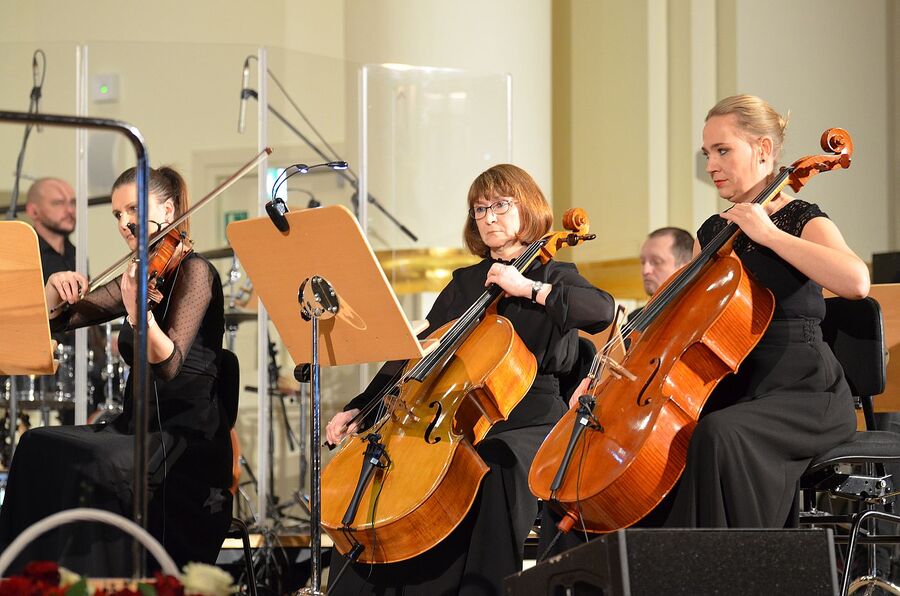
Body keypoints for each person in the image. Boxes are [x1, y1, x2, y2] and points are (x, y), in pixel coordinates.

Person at [324, 163, 616, 595]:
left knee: (494, 464)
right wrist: (360, 408)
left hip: (530, 419)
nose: (489, 217)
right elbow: (413, 356)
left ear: (528, 208)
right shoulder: (465, 284)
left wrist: (527, 289)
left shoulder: (555, 274)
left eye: (501, 205)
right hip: (457, 416)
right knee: (382, 466)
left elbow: (602, 311)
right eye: (480, 209)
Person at [0, 166, 233, 574]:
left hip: (184, 441)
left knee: (94, 463)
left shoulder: (197, 272)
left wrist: (137, 314)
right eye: (117, 215)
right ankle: (26, 580)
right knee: (36, 445)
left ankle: (94, 577)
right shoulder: (140, 273)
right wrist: (55, 288)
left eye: (134, 211)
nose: (125, 223)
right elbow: (60, 320)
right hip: (133, 428)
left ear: (169, 208)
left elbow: (170, 365)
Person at [661, 94, 869, 527]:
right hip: (736, 382)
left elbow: (855, 281)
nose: (711, 165)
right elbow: (678, 320)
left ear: (763, 151)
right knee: (670, 440)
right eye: (707, 154)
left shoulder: (799, 217)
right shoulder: (714, 233)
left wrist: (770, 235)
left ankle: (745, 572)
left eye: (723, 151)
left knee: (721, 435)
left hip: (805, 391)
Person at [628, 226, 694, 325]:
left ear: (685, 266)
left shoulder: (699, 317)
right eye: (642, 262)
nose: (645, 271)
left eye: (656, 261)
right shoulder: (635, 319)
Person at [25, 177, 77, 284]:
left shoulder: (75, 253)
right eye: (58, 203)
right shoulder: (24, 256)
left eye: (72, 202)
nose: (70, 210)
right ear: (33, 211)